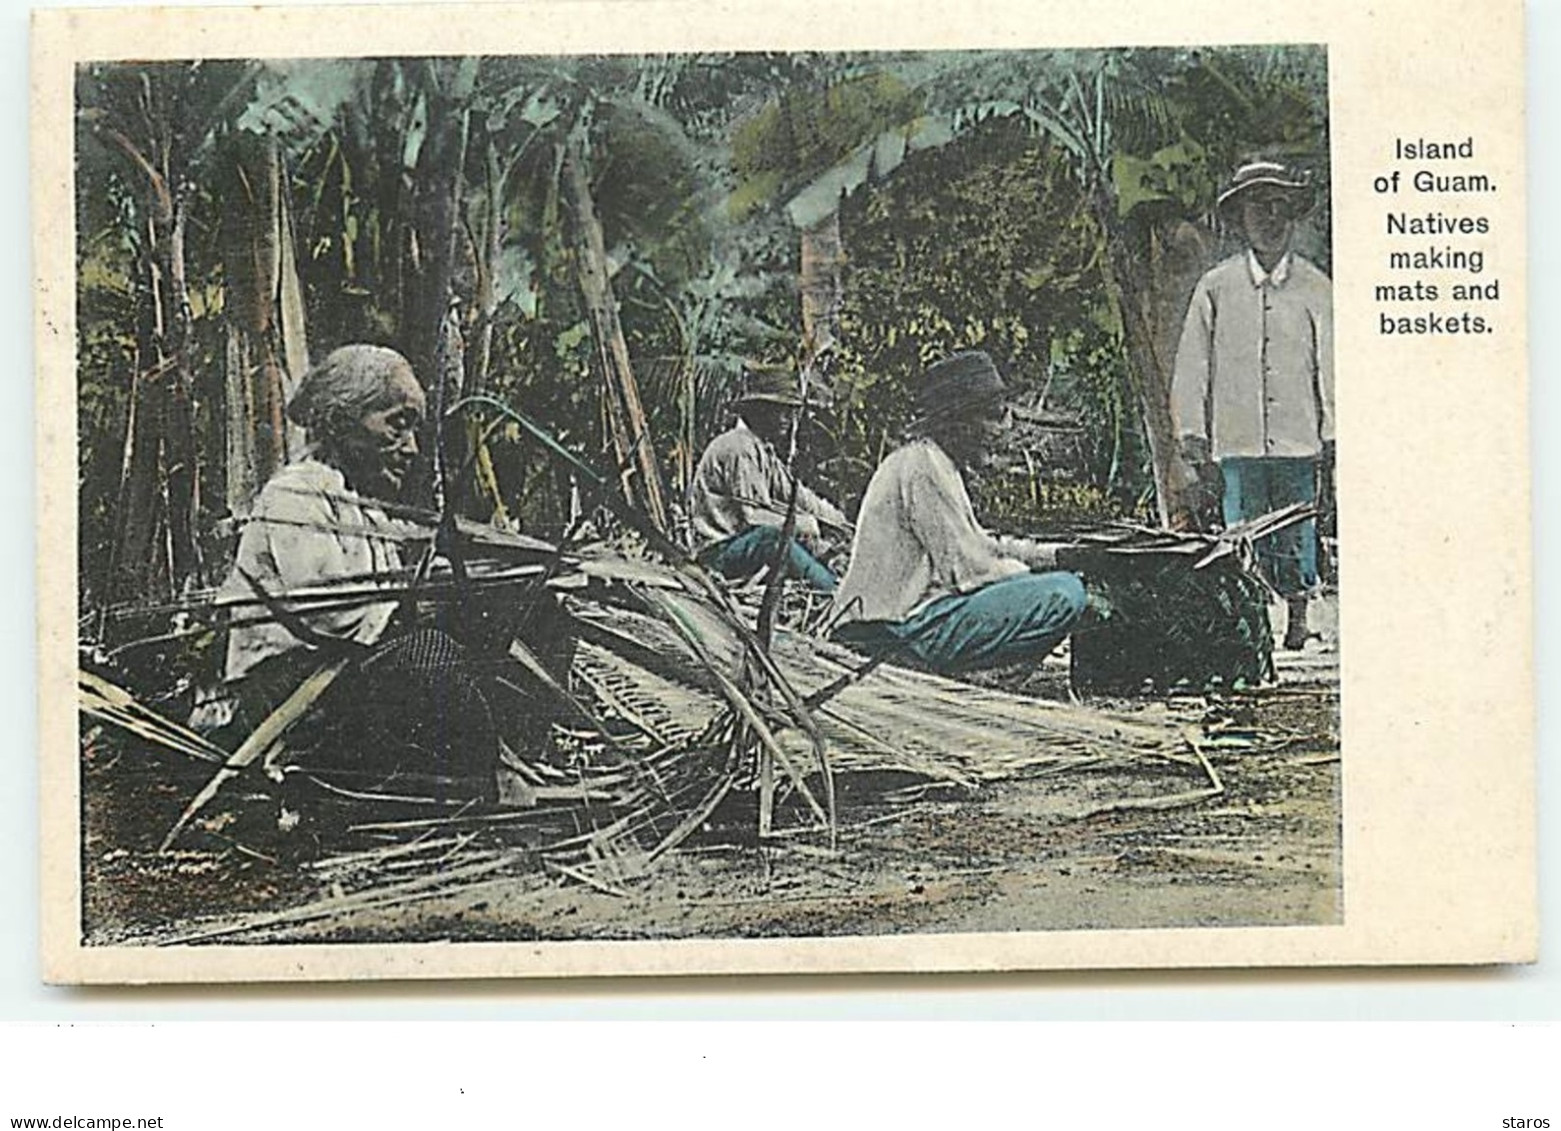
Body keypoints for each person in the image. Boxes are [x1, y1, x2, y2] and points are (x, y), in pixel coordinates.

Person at [216, 344, 500, 797]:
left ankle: (499, 767)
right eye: (397, 424)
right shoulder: (297, 494)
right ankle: (454, 788)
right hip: (287, 698)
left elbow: (401, 576)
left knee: (519, 617)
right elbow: (332, 612)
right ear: (341, 421)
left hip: (340, 684)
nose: (412, 449)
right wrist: (423, 600)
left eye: (414, 430)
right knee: (428, 652)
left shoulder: (361, 505)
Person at [829, 350, 1087, 674]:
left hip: (901, 619)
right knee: (1065, 593)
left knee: (1059, 582)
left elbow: (981, 542)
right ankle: (956, 669)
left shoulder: (937, 463)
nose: (998, 431)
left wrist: (1056, 555)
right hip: (889, 629)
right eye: (991, 417)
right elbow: (969, 569)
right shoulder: (923, 468)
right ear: (959, 422)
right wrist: (1037, 574)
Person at [1172, 159, 1335, 651]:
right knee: (1241, 528)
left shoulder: (1315, 288)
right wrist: (1192, 433)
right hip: (1237, 438)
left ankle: (1298, 619)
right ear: (1240, 218)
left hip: (1296, 438)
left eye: (1278, 206)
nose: (1269, 217)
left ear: (1291, 215)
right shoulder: (1216, 288)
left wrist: (1333, 433)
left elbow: (1331, 366)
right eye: (1257, 208)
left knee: (1295, 528)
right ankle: (1252, 621)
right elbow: (1193, 363)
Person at [689, 362, 849, 592]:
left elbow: (799, 495)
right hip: (718, 554)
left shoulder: (763, 450)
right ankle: (832, 592)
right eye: (780, 411)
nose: (787, 419)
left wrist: (839, 522)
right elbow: (752, 518)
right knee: (772, 539)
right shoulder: (739, 447)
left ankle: (833, 584)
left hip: (741, 547)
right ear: (760, 410)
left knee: (809, 544)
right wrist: (807, 524)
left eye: (790, 411)